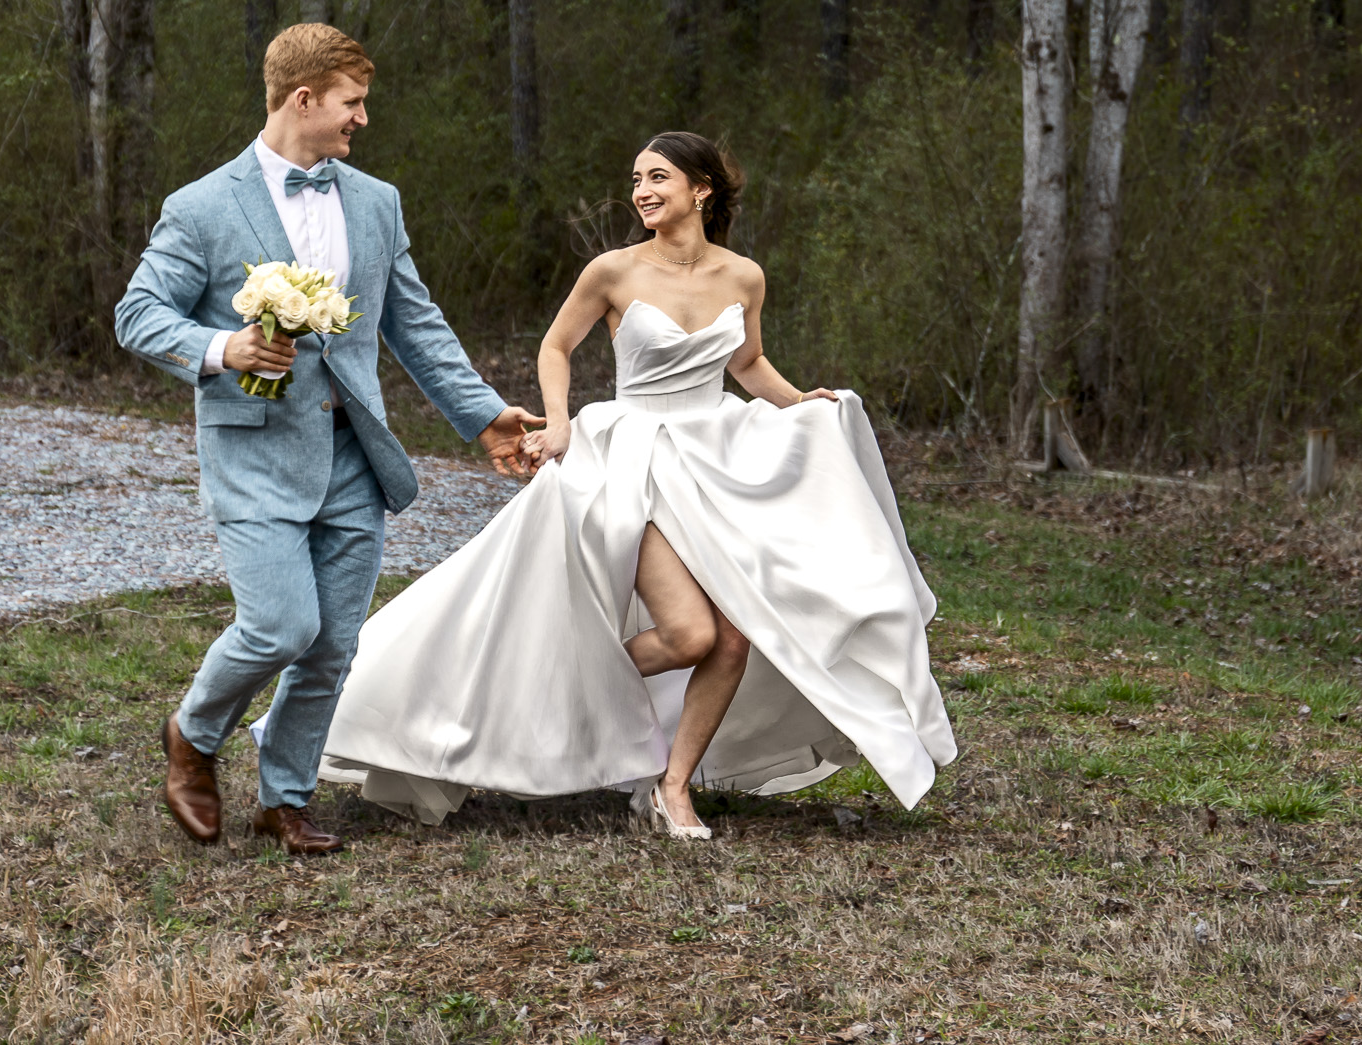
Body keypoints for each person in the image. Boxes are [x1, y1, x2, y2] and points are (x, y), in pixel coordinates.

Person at [319, 132, 956, 837]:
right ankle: (547, 698)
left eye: (658, 177)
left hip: (716, 459)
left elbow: (748, 365)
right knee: (688, 633)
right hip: (632, 460)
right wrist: (558, 421)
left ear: (701, 189)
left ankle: (671, 787)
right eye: (636, 179)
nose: (642, 191)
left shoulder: (744, 276)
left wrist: (803, 402)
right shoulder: (613, 270)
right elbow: (557, 345)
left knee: (737, 639)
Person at [115, 23, 540, 856]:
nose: (362, 120)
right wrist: (222, 348)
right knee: (280, 627)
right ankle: (193, 735)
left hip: (355, 458)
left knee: (334, 644)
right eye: (353, 102)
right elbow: (137, 314)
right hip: (255, 453)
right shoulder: (201, 207)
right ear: (303, 99)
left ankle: (286, 796)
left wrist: (485, 416)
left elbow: (415, 325)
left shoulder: (376, 203)